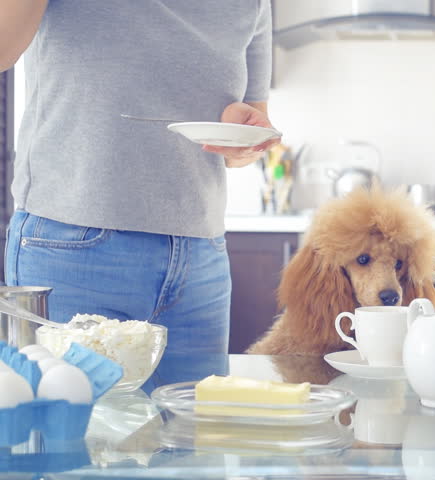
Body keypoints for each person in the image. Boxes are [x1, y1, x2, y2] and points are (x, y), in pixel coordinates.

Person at [1, 0, 278, 384]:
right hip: (74, 248)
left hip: (201, 259)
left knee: (193, 438)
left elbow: (249, 117)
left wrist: (243, 136)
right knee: (76, 435)